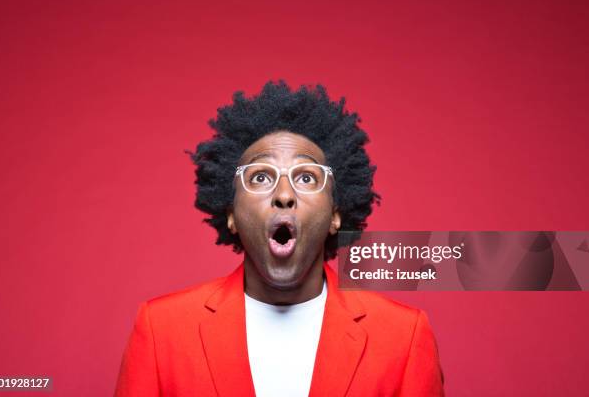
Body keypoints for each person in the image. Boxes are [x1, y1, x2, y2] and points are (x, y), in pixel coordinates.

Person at [114, 81, 444, 396]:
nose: (284, 194)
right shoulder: (162, 330)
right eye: (260, 176)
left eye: (306, 176)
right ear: (230, 213)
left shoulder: (403, 336)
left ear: (335, 215)